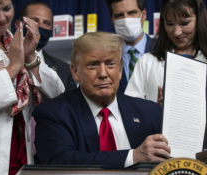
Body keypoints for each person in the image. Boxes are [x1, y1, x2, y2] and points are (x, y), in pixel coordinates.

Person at [33, 32, 170, 169]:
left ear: (120, 70)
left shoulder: (150, 112)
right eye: (93, 65)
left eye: (110, 64)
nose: (103, 74)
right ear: (75, 71)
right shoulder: (53, 114)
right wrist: (132, 157)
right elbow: (60, 163)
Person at [0, 0, 64, 174]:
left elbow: (58, 94)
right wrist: (13, 68)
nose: (2, 18)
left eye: (7, 9)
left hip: (21, 152)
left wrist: (31, 57)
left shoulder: (16, 43)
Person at [124, 0, 207, 104]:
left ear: (199, 20)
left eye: (184, 23)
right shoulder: (146, 62)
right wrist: (156, 111)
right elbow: (131, 108)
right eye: (170, 24)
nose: (177, 32)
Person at [17, 1, 76, 91]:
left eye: (47, 23)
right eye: (35, 20)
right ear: (19, 25)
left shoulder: (64, 69)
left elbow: (72, 103)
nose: (40, 27)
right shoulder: (3, 59)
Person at [105, 0, 152, 93]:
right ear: (112, 19)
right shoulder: (106, 56)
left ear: (144, 14)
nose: (126, 20)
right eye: (119, 15)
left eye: (132, 13)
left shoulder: (162, 51)